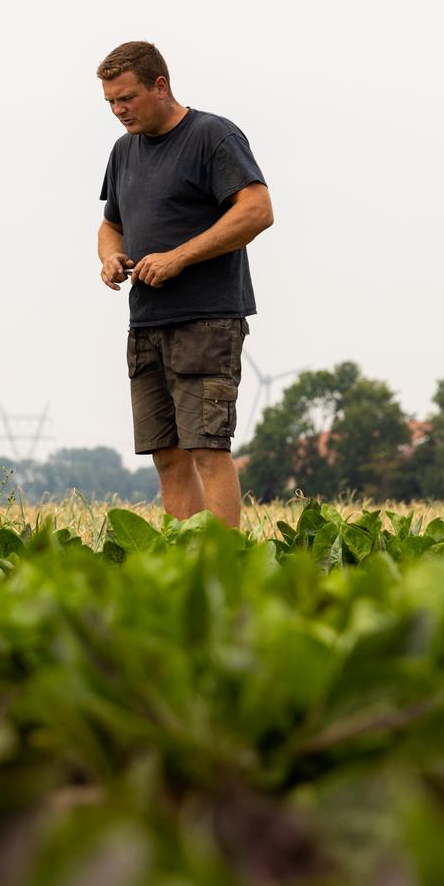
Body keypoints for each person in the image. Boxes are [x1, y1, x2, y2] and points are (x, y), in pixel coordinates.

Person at [96, 42, 274, 527]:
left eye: (127, 98)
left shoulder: (212, 136)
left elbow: (257, 211)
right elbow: (110, 224)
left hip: (206, 321)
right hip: (146, 323)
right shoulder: (123, 151)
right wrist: (110, 256)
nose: (119, 110)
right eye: (111, 102)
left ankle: (223, 559)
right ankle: (184, 555)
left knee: (207, 449)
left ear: (160, 86)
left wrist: (178, 258)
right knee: (167, 454)